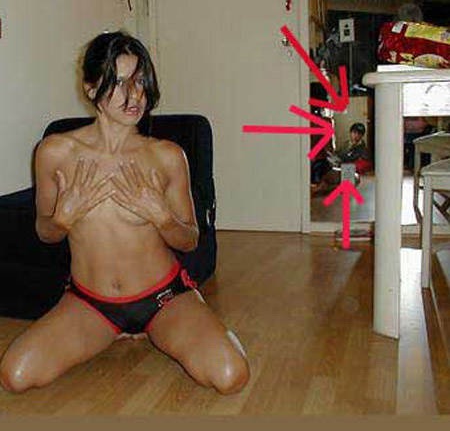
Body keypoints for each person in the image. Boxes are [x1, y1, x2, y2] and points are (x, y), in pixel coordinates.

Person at [0, 31, 250, 394]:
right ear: (90, 88)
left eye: (140, 80)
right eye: (119, 82)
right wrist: (62, 219)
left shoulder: (167, 156)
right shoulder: (54, 152)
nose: (135, 95)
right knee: (15, 375)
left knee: (231, 376)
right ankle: (111, 333)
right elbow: (44, 231)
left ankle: (204, 327)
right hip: (91, 303)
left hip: (164, 298)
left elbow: (190, 239)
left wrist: (162, 217)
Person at [311, 122, 372, 196]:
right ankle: (320, 186)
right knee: (321, 164)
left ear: (362, 136)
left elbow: (358, 162)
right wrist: (332, 155)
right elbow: (339, 153)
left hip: (348, 170)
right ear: (351, 133)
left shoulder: (362, 148)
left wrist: (342, 161)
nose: (356, 136)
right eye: (354, 133)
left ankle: (324, 188)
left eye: (359, 134)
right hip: (339, 166)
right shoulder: (346, 144)